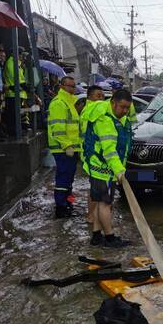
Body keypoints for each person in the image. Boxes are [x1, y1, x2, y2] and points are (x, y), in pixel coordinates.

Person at [82, 89, 133, 248]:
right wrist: (119, 170)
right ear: (113, 103)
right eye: (122, 107)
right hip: (102, 167)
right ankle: (110, 238)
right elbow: (109, 149)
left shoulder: (116, 117)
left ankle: (97, 236)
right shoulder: (104, 120)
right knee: (106, 204)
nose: (125, 111)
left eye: (127, 108)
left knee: (99, 202)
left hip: (103, 167)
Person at [47, 75, 81, 218]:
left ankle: (68, 204)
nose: (72, 89)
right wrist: (66, 145)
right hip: (63, 149)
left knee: (69, 179)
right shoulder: (59, 103)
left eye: (73, 86)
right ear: (62, 86)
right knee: (63, 179)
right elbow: (58, 128)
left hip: (71, 148)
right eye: (69, 86)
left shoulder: (69, 102)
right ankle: (61, 208)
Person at [79, 85, 106, 226]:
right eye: (98, 95)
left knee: (98, 187)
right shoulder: (90, 111)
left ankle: (95, 215)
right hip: (92, 156)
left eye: (102, 95)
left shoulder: (97, 109)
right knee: (96, 188)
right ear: (89, 97)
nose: (101, 98)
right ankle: (91, 216)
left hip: (96, 156)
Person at [3, 47, 28, 137]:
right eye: (21, 54)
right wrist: (26, 86)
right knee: (13, 115)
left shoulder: (18, 63)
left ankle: (19, 130)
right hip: (12, 93)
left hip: (19, 93)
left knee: (18, 115)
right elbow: (17, 79)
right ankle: (13, 132)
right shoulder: (11, 63)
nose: (22, 57)